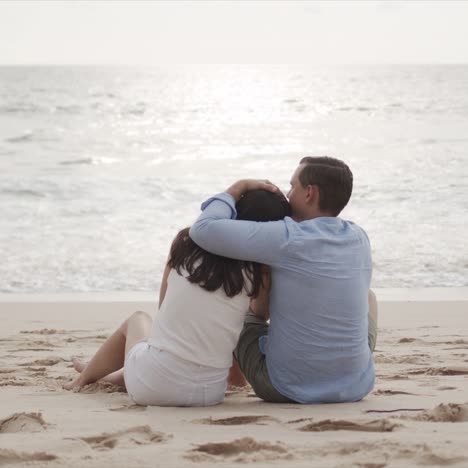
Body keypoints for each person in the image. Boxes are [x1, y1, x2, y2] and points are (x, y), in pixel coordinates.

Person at [63, 189, 291, 406]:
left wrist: (237, 187)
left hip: (149, 387)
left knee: (138, 319)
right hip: (209, 394)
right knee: (223, 324)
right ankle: (104, 373)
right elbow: (257, 316)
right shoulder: (259, 270)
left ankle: (84, 379)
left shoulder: (186, 242)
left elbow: (164, 309)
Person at [189, 156, 378, 404]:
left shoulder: (287, 237)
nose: (288, 194)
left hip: (285, 388)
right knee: (369, 297)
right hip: (355, 385)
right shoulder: (359, 237)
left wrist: (238, 189)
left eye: (292, 187)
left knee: (245, 314)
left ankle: (234, 379)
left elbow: (202, 230)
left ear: (309, 193)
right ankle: (342, 367)